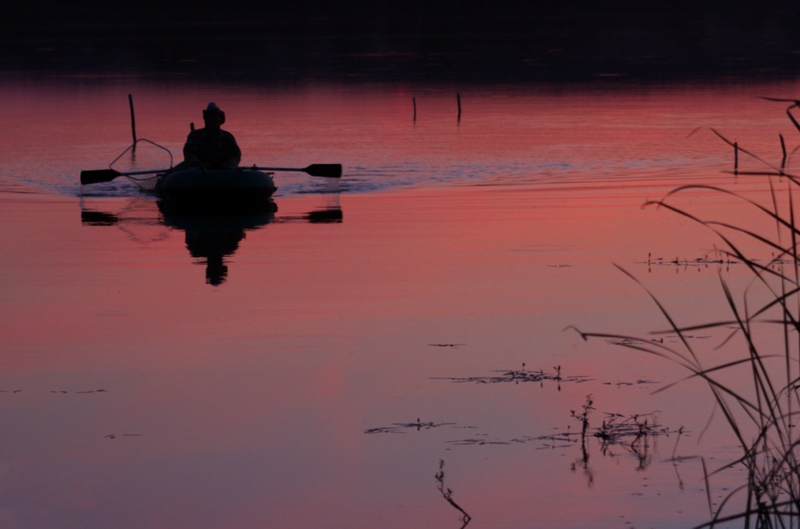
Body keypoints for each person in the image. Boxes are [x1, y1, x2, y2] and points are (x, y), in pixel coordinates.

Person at [179, 102, 241, 170]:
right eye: (209, 118)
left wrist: (229, 164)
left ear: (220, 119)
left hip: (224, 173)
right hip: (198, 173)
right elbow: (189, 153)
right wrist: (198, 164)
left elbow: (235, 155)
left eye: (215, 117)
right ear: (205, 119)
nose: (212, 120)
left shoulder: (228, 138)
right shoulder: (195, 136)